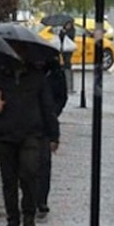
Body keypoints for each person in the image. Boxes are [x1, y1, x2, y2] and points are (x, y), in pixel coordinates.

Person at [0, 42, 60, 226]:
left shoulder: (37, 78)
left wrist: (54, 135)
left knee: (29, 173)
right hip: (6, 134)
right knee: (8, 180)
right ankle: (12, 218)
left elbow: (47, 107)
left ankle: (29, 214)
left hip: (31, 134)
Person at [37, 53, 68, 216]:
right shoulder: (31, 71)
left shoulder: (55, 73)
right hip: (30, 123)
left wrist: (54, 113)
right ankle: (31, 197)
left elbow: (62, 96)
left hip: (46, 125)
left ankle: (41, 199)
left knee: (43, 164)